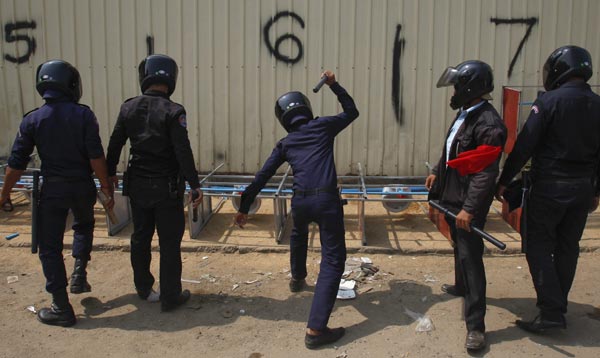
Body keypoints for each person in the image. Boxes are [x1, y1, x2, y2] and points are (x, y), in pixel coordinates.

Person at [234, 70, 358, 349]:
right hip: (326, 200)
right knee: (333, 261)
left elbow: (262, 176)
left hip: (300, 201)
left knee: (299, 233)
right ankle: (315, 330)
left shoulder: (286, 143)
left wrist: (244, 208)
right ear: (307, 108)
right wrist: (334, 85)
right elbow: (352, 111)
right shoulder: (323, 126)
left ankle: (298, 277)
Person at [0, 59, 114, 327]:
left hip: (52, 189)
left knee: (49, 246)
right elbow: (96, 156)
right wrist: (106, 188)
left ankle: (61, 306)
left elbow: (16, 163)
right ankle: (79, 274)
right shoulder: (84, 115)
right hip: (82, 187)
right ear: (71, 84)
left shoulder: (32, 119)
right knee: (84, 226)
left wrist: (5, 194)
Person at [496, 45, 600, 333]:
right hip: (581, 190)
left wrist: (504, 180)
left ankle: (552, 313)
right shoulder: (597, 104)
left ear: (557, 70)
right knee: (568, 247)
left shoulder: (550, 101)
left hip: (550, 188)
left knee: (538, 245)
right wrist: (595, 191)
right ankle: (557, 304)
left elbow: (526, 144)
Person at [106, 54, 203, 312]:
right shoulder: (174, 111)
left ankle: (144, 288)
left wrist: (109, 173)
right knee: (169, 241)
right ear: (171, 78)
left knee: (140, 237)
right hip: (167, 188)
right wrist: (195, 184)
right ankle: (170, 296)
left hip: (137, 186)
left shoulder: (128, 108)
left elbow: (115, 143)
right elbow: (183, 150)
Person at [426, 60, 507, 350]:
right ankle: (460, 287)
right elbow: (451, 147)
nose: (455, 90)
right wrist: (437, 170)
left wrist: (470, 209)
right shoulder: (466, 113)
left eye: (459, 85)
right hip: (452, 193)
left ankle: (476, 327)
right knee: (459, 247)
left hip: (466, 201)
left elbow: (486, 173)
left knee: (471, 258)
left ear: (471, 86)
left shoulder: (488, 123)